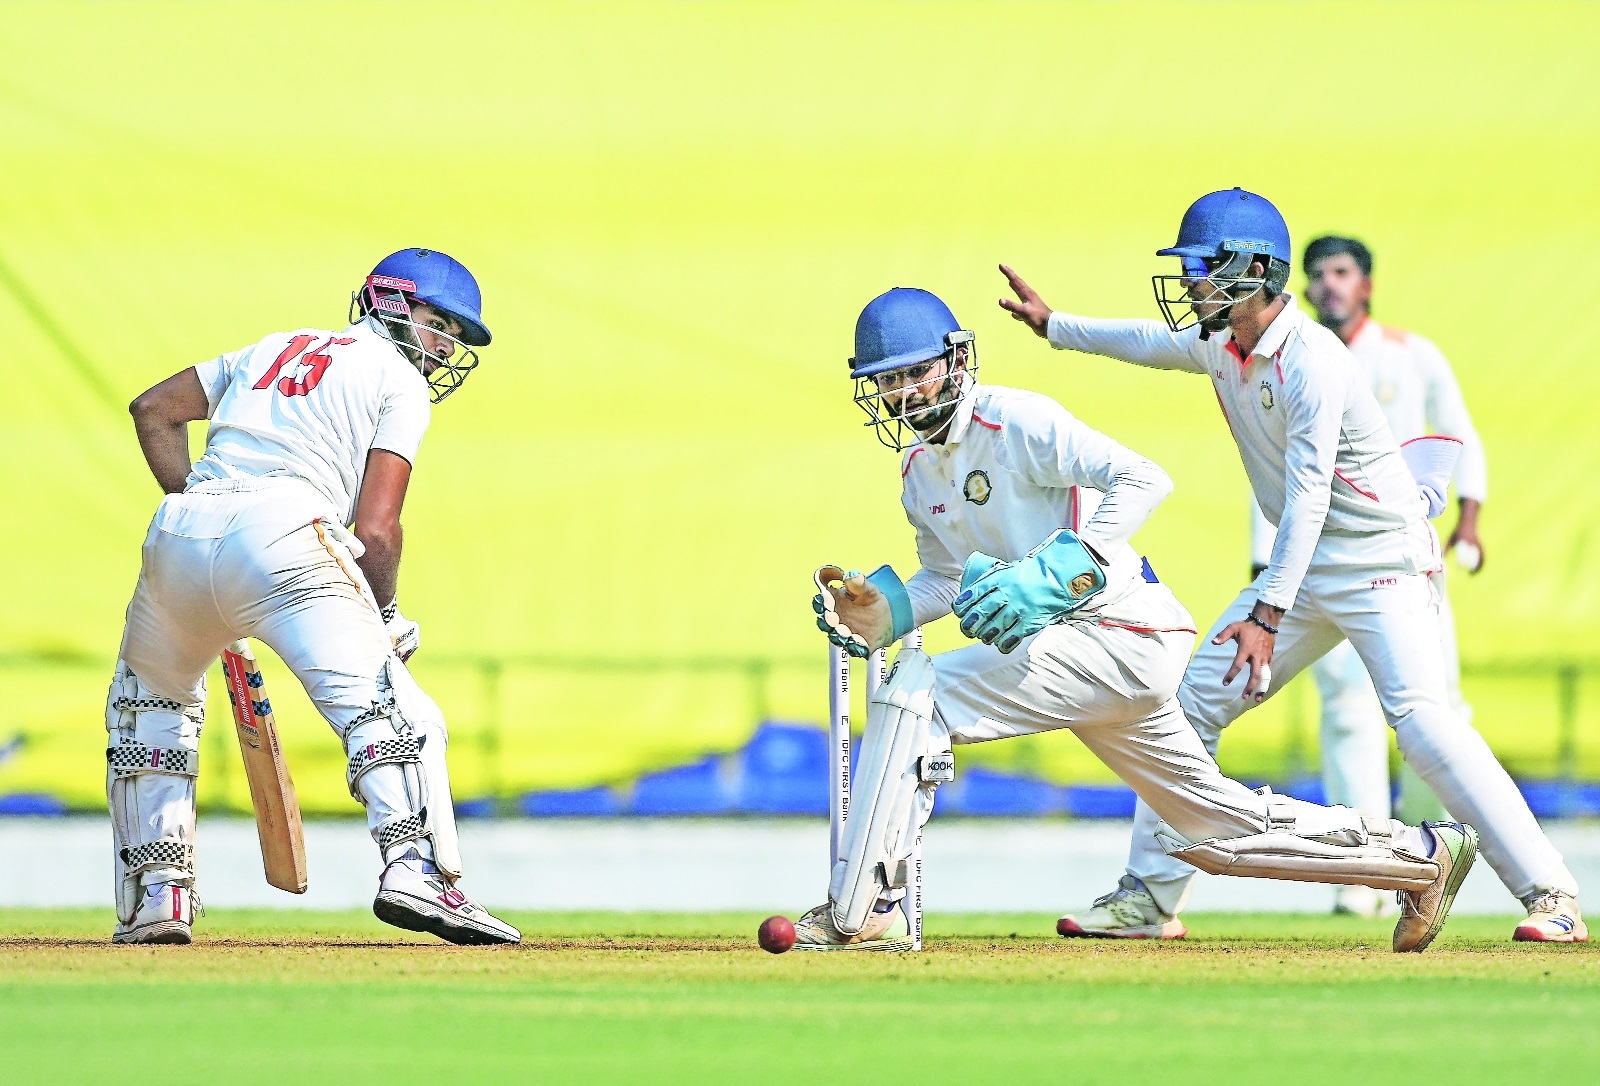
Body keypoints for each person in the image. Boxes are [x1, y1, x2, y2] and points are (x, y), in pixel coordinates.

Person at [798, 285, 1478, 955]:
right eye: (889, 380)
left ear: (956, 360)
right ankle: (1418, 856)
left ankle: (867, 906)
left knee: (917, 696)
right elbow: (946, 577)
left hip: (1122, 630)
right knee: (1214, 829)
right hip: (1078, 655)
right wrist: (884, 611)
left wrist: (1069, 564)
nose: (908, 391)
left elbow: (1144, 477)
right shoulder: (920, 472)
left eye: (919, 372)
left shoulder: (1017, 422)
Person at [1003, 189, 1584, 944]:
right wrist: (1057, 328)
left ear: (1252, 270)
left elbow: (1308, 498)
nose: (1188, 285)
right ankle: (1149, 899)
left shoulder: (1315, 361)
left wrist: (1265, 616)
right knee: (1183, 710)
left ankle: (1553, 896)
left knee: (1424, 727)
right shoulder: (1222, 342)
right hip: (1306, 566)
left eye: (1201, 269)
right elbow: (1146, 340)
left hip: (1382, 563)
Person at [107, 248, 520, 945]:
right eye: (438, 323)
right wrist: (383, 617)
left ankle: (159, 897)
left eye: (454, 332)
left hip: (181, 529)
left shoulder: (273, 347)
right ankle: (416, 871)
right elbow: (378, 528)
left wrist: (205, 527)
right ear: (391, 304)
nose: (445, 344)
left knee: (151, 711)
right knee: (389, 710)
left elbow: (153, 410)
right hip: (287, 534)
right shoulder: (399, 380)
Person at [1247, 235, 1488, 916]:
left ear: (1367, 285)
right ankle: (1365, 873)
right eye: (1318, 274)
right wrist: (1265, 569)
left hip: (1401, 561)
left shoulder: (1411, 356)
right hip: (1317, 566)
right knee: (1348, 715)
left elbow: (1461, 434)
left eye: (1342, 273)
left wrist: (1468, 520)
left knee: (1433, 714)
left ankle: (1434, 850)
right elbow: (1270, 473)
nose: (1328, 286)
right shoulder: (1282, 360)